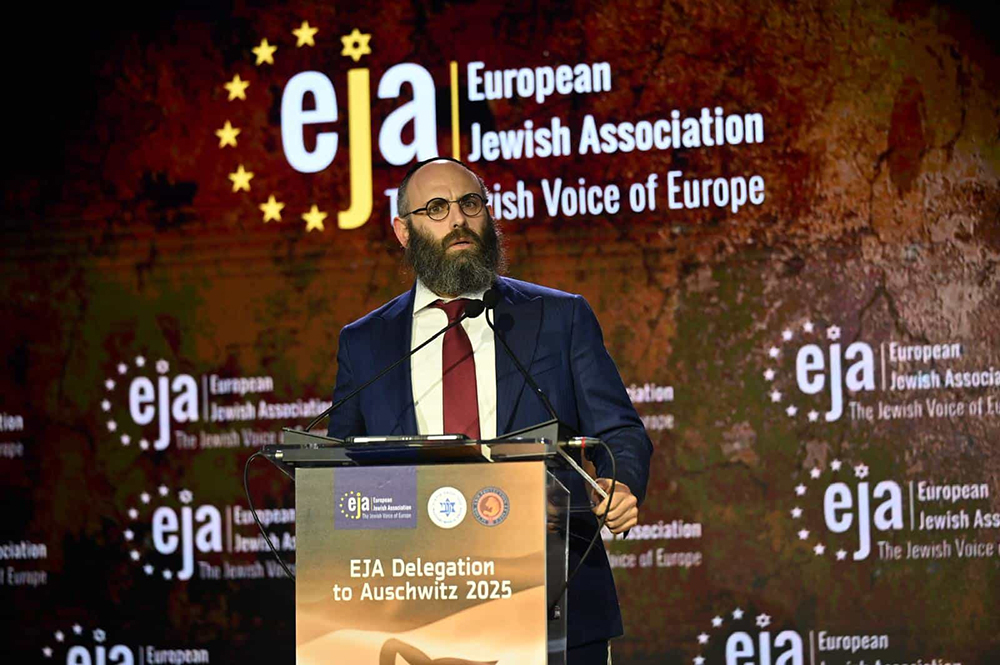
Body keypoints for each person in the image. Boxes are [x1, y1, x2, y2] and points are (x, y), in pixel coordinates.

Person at [327, 157, 653, 665]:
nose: (458, 219)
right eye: (437, 208)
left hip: (556, 596)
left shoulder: (558, 317)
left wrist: (621, 482)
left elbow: (620, 430)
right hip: (420, 605)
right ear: (403, 231)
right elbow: (340, 471)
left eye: (470, 203)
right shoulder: (366, 342)